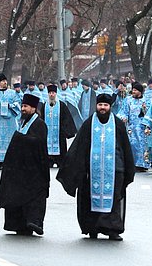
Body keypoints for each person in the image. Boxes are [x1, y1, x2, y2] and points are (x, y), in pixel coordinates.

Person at [58, 94, 135, 241]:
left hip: (115, 169)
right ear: (96, 106)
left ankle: (112, 229)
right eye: (100, 105)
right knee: (89, 200)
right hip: (91, 171)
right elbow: (79, 147)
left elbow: (125, 147)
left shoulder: (117, 124)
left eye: (105, 105)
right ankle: (92, 228)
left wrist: (127, 169)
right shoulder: (89, 124)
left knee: (113, 200)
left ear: (110, 107)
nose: (103, 108)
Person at [0, 93, 49, 235]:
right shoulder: (23, 122)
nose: (23, 109)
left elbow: (39, 144)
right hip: (20, 170)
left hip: (34, 170)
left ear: (34, 109)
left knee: (34, 198)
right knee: (17, 196)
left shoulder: (39, 124)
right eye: (22, 106)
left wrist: (20, 139)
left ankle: (33, 222)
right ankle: (19, 224)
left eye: (26, 107)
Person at [0, 74, 21, 169]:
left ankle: (11, 160)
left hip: (10, 122)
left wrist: (9, 105)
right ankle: (0, 161)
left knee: (10, 140)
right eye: (2, 81)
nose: (5, 82)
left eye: (5, 81)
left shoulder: (12, 93)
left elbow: (18, 104)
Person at [40, 85, 77, 168]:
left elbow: (67, 119)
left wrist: (65, 131)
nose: (51, 95)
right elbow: (41, 119)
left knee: (61, 150)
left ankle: (60, 161)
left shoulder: (62, 105)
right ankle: (49, 161)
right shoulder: (44, 106)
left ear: (56, 94)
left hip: (59, 134)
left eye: (53, 93)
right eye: (50, 93)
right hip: (47, 134)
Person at [117, 82, 150, 172]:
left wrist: (144, 109)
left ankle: (143, 164)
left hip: (143, 127)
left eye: (135, 90)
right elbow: (123, 111)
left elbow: (150, 113)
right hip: (131, 127)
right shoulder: (128, 100)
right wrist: (124, 117)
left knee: (143, 145)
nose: (133, 91)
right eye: (133, 90)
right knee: (132, 145)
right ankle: (133, 164)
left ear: (140, 92)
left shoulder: (146, 100)